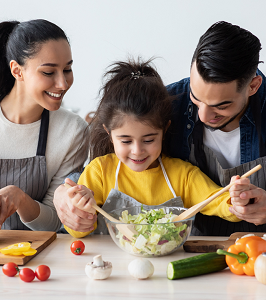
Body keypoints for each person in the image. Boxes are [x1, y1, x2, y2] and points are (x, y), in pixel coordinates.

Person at [56, 59, 249, 238]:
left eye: (148, 140)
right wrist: (80, 208)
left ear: (164, 130)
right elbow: (77, 231)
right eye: (125, 141)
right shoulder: (99, 171)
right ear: (109, 133)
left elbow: (219, 203)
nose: (137, 150)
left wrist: (237, 198)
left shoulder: (183, 175)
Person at [0, 19, 87, 231]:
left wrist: (21, 199)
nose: (63, 83)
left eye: (67, 69)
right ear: (17, 71)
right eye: (49, 72)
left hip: (34, 255)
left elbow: (55, 221)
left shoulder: (73, 131)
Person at [165, 21, 266, 235]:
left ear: (253, 86)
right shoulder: (167, 103)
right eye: (196, 97)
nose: (203, 115)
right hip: (189, 246)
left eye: (221, 106)